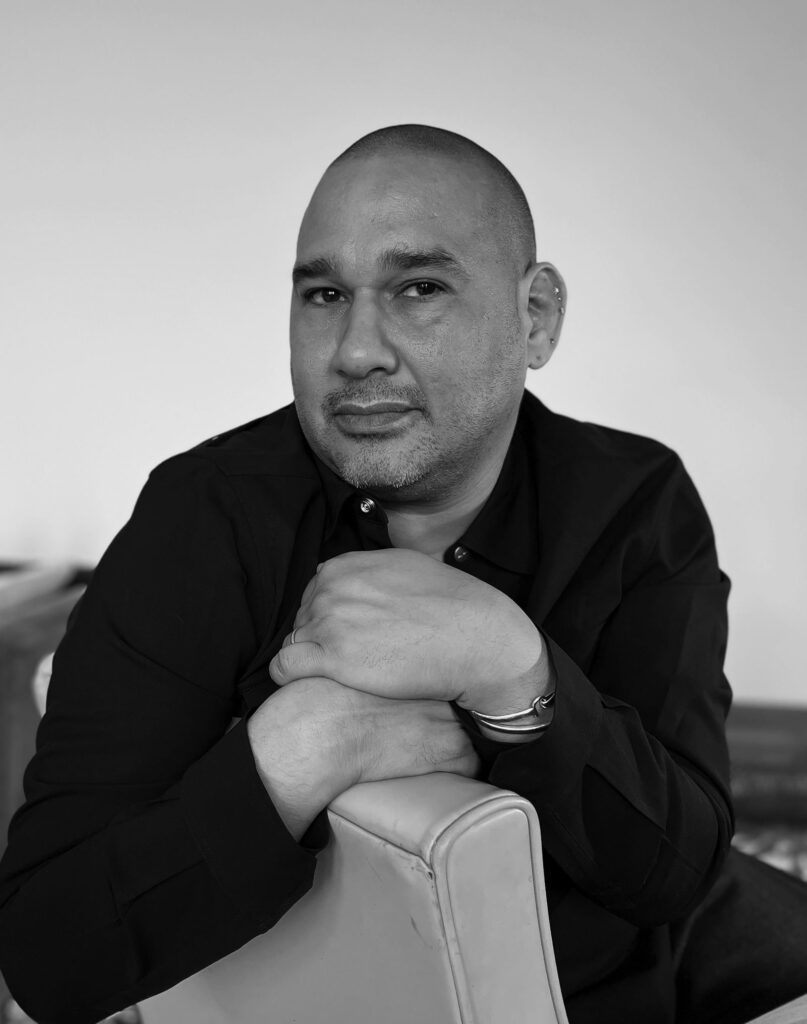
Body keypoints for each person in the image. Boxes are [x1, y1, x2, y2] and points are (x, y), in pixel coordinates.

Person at [1, 124, 806, 1024]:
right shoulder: (204, 515)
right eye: (324, 294)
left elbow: (677, 872)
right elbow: (47, 952)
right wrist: (300, 750)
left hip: (645, 947)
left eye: (419, 287)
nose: (355, 351)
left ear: (535, 317)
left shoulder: (634, 499)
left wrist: (509, 666)